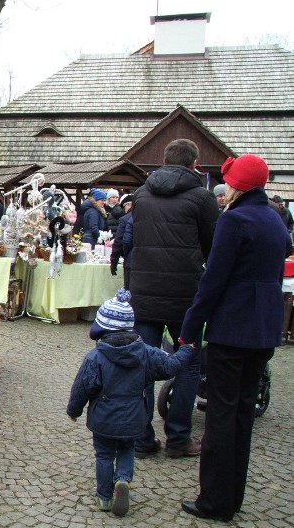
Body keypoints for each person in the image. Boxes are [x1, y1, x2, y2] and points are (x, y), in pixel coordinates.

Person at [178, 154, 292, 522]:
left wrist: (190, 328)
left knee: (222, 415)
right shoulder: (275, 221)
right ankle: (233, 495)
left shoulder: (235, 220)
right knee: (242, 413)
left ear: (237, 185)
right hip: (263, 328)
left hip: (233, 327)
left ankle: (215, 500)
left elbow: (213, 282)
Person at [68, 289, 195, 517]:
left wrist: (74, 410)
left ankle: (105, 497)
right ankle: (123, 481)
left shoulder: (95, 357)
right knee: (127, 448)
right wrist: (186, 350)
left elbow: (82, 388)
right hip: (135, 416)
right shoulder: (146, 353)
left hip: (104, 418)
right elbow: (169, 367)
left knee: (104, 455)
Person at [130, 138, 218, 459]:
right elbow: (213, 249)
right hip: (186, 299)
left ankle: (141, 439)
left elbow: (134, 242)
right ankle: (179, 438)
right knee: (189, 365)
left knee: (142, 367)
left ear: (165, 160)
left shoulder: (141, 195)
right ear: (194, 164)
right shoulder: (203, 198)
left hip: (144, 296)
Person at [110, 194, 134, 288]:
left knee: (129, 292)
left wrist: (114, 260)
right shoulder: (147, 217)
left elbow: (119, 242)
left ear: (128, 205)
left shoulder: (125, 219)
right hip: (147, 262)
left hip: (130, 260)